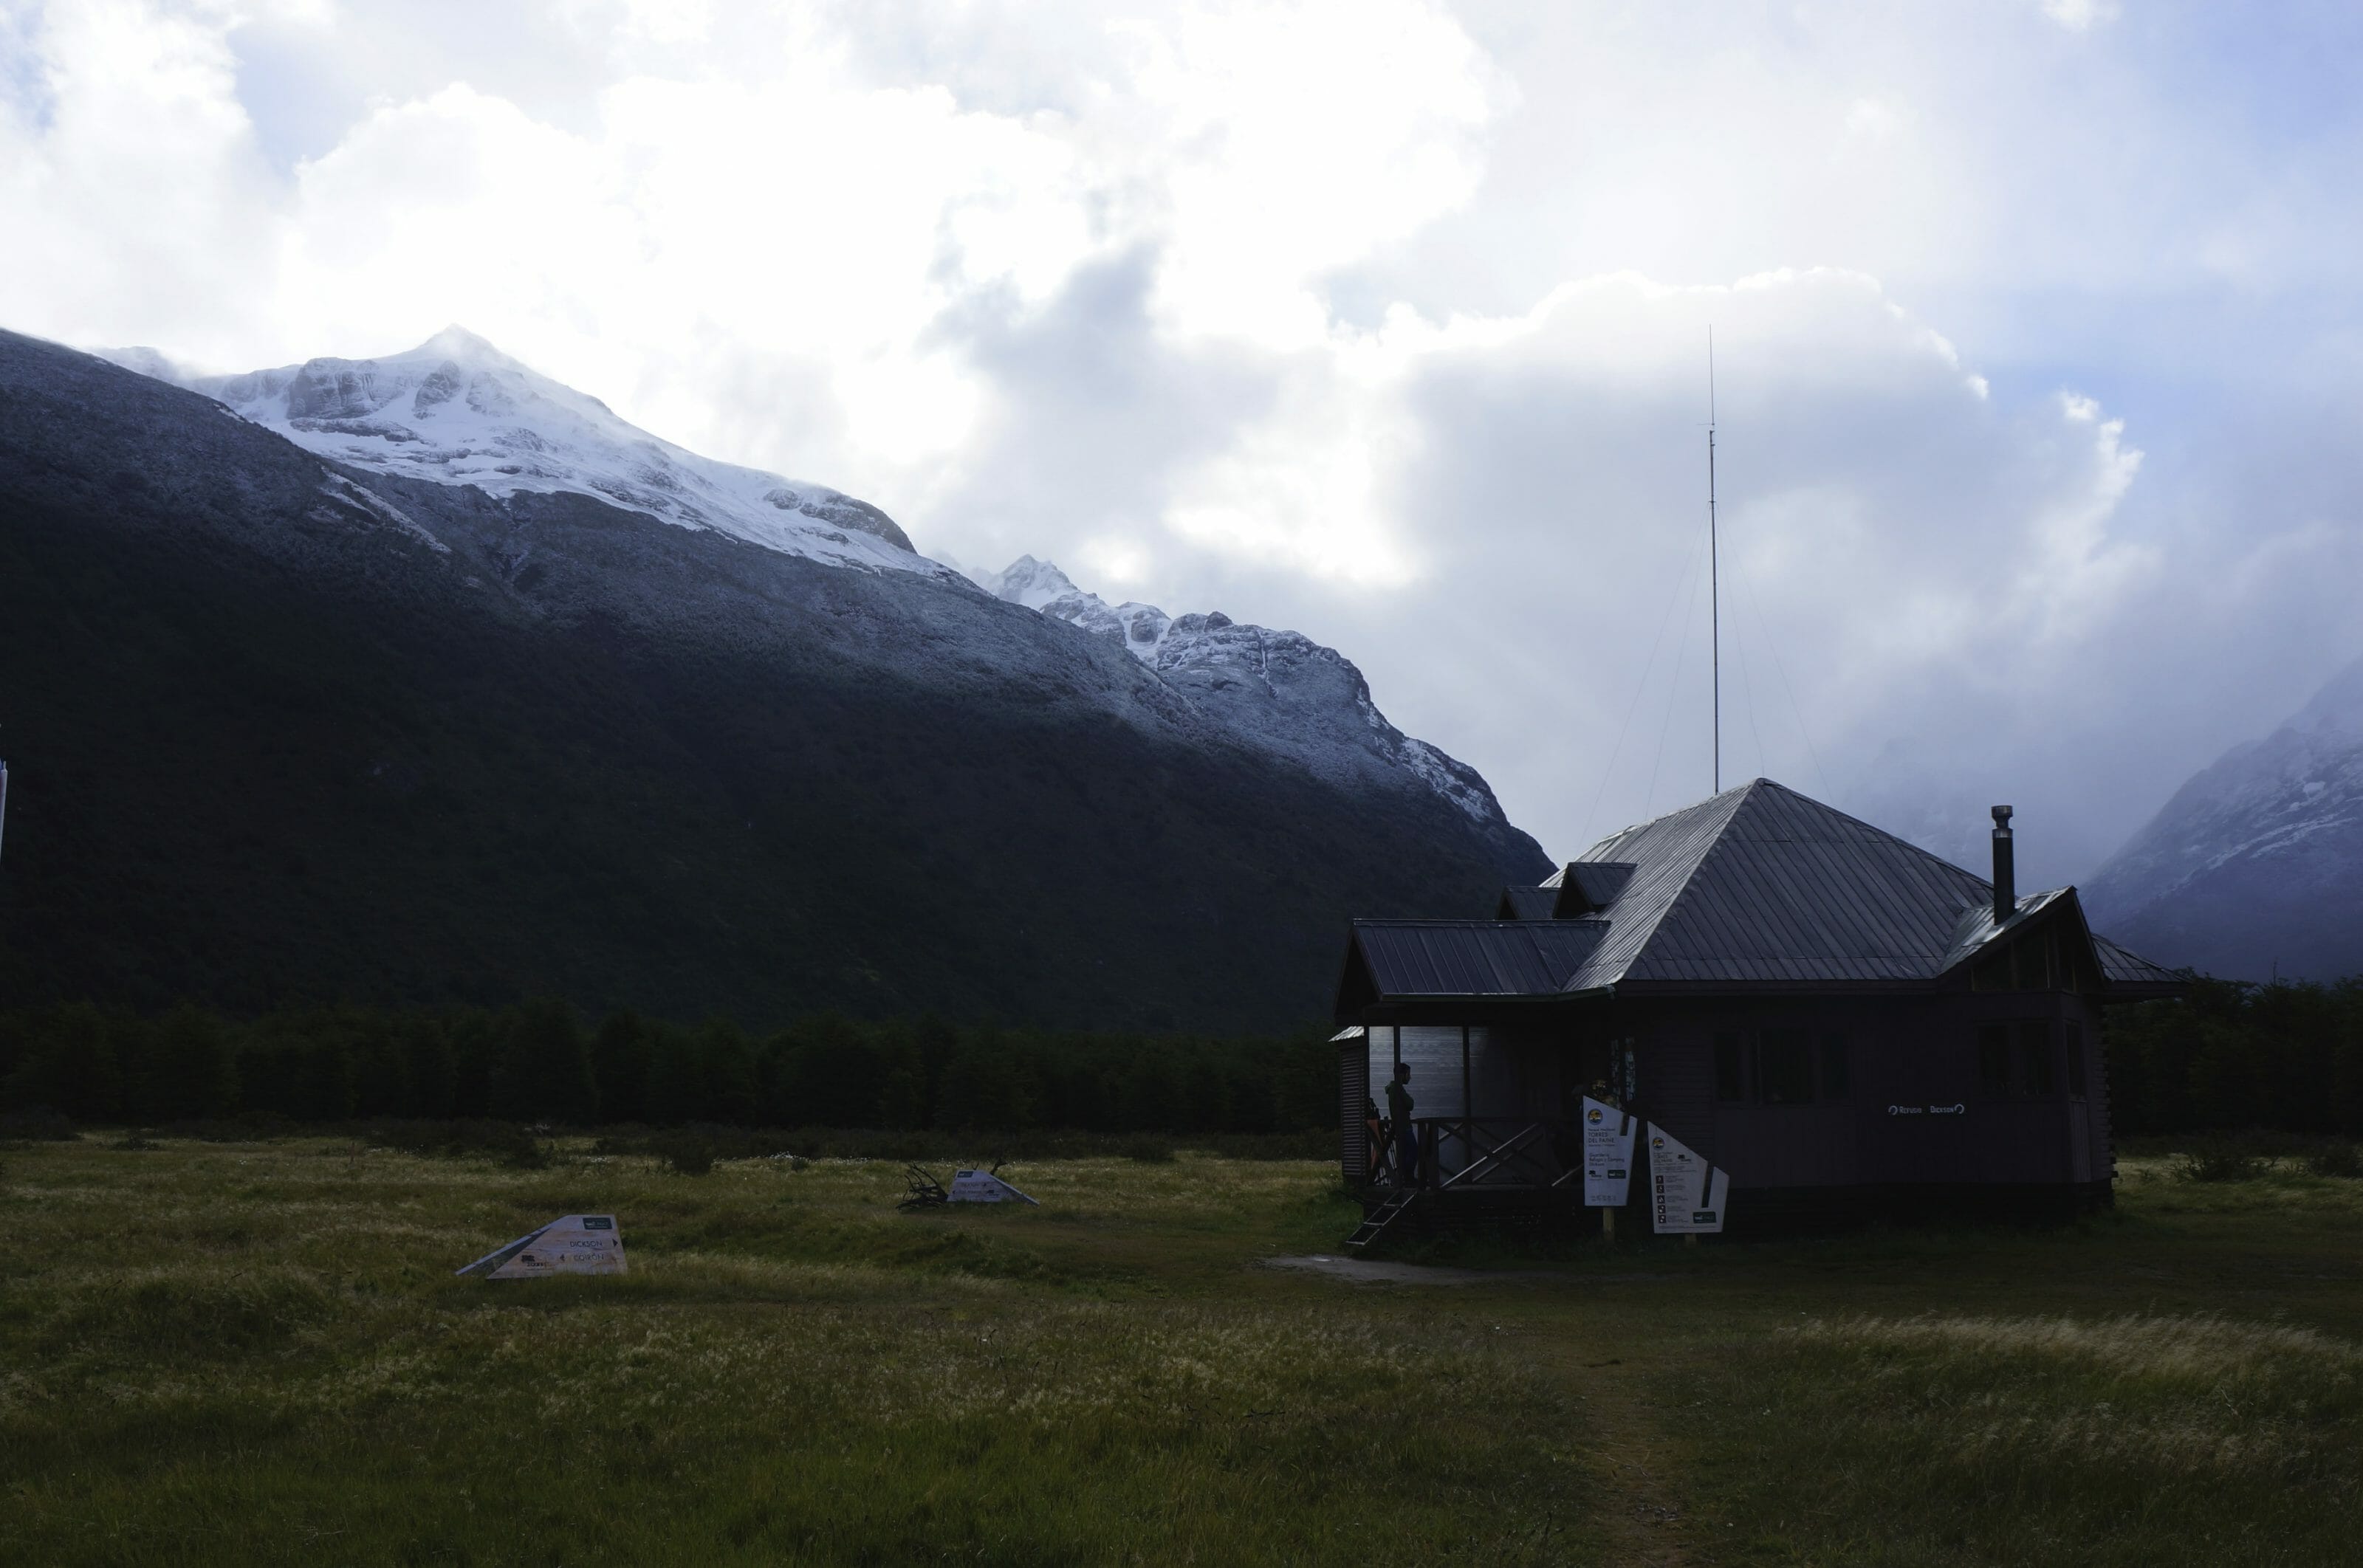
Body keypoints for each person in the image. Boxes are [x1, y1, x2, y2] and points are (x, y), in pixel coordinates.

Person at [1385, 1062, 1417, 1185]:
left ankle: (1404, 1176)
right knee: (1413, 1151)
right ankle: (1407, 1176)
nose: (1410, 1077)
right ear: (1401, 1075)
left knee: (1404, 1152)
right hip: (1404, 1126)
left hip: (1399, 1126)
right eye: (1408, 1074)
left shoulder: (1393, 1089)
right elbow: (1410, 1104)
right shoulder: (1398, 1089)